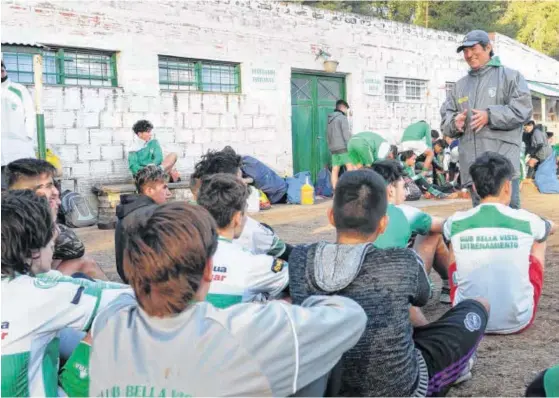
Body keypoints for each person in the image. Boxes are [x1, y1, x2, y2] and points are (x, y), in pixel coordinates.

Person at [77, 201, 367, 396]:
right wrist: (286, 310)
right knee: (316, 355)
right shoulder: (246, 329)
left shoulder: (110, 323)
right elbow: (351, 316)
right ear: (208, 270)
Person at [288, 169, 489, 396]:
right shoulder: (402, 260)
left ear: (331, 217)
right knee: (479, 306)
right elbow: (422, 297)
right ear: (383, 224)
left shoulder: (300, 259)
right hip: (404, 389)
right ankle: (458, 369)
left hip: (328, 389)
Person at [1, 190, 130, 397]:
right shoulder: (39, 294)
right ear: (34, 246)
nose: (56, 236)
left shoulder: (31, 282)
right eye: (51, 230)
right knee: (114, 319)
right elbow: (127, 299)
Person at [444, 153, 555, 334]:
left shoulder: (455, 221)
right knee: (539, 239)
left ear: (474, 187)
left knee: (453, 244)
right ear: (506, 187)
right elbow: (548, 228)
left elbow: (445, 232)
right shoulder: (527, 219)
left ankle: (458, 297)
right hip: (518, 321)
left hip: (467, 319)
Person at [441, 30, 532, 209]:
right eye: (465, 51)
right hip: (475, 169)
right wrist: (453, 123)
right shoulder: (459, 86)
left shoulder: (510, 77)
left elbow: (523, 110)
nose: (468, 55)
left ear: (488, 47)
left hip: (502, 167)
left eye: (473, 49)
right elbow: (445, 118)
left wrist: (490, 115)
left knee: (509, 217)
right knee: (480, 218)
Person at [197, 173, 289, 307]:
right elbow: (298, 281)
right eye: (246, 213)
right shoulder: (253, 263)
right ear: (237, 217)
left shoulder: (177, 254)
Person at [6, 158, 107, 280]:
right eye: (46, 187)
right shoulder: (11, 219)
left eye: (52, 184)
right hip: (12, 284)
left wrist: (50, 218)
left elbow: (75, 247)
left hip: (23, 276)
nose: (55, 192)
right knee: (85, 264)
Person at [371, 160, 452, 304]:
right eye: (404, 186)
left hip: (363, 290)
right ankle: (449, 285)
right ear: (390, 190)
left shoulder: (356, 211)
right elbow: (447, 226)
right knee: (432, 234)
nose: (406, 192)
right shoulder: (406, 213)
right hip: (402, 293)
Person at [190, 148, 292, 260]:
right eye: (241, 177)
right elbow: (290, 254)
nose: (244, 183)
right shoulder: (252, 230)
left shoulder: (186, 219)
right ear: (230, 184)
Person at [114, 165, 171, 283]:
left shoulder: (128, 210)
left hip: (130, 278)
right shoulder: (153, 214)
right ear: (149, 190)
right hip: (149, 283)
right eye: (164, 188)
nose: (169, 193)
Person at [1, 59, 36, 189]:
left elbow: (30, 114)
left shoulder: (18, 89)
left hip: (19, 149)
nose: (1, 69)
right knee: (3, 192)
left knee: (22, 188)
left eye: (2, 66)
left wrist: (27, 137)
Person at [327, 99, 354, 189]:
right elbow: (346, 133)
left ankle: (336, 192)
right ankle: (350, 189)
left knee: (335, 170)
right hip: (343, 148)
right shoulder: (342, 118)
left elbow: (327, 134)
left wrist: (330, 147)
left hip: (333, 149)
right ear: (343, 108)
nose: (346, 111)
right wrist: (351, 146)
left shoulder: (330, 119)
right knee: (350, 168)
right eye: (346, 109)